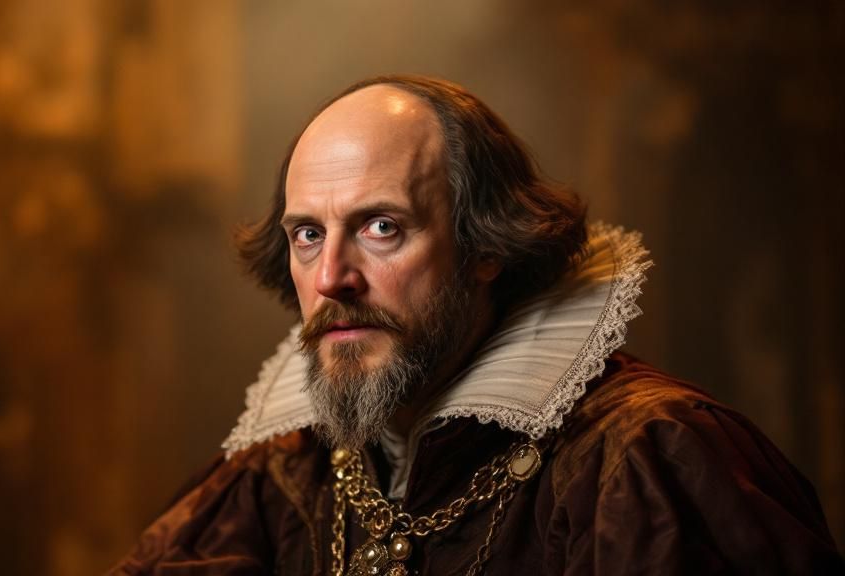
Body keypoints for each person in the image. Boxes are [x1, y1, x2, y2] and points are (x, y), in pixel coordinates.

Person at [110, 75, 843, 575]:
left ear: (484, 246)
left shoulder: (646, 458)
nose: (331, 276)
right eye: (308, 234)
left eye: (381, 226)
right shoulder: (274, 480)